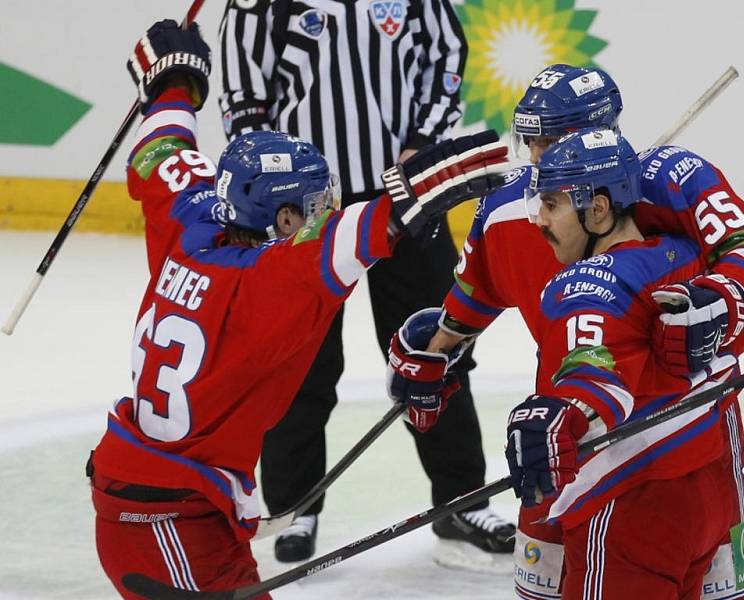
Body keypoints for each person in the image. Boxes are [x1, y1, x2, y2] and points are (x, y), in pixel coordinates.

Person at [86, 20, 509, 596]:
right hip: (173, 523)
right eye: (311, 206)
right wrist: (481, 169)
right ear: (282, 220)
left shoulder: (189, 218)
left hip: (164, 500)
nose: (320, 213)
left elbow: (163, 150)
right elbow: (378, 224)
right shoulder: (272, 278)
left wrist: (174, 83)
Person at [387, 64, 744, 598]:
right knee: (551, 586)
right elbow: (471, 300)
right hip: (572, 426)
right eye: (531, 141)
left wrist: (718, 303)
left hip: (692, 428)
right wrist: (434, 352)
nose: (539, 158)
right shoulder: (510, 210)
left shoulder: (673, 182)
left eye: (553, 140)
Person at [219, 0, 515, 569]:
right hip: (300, 212)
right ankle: (292, 505)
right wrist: (275, 183)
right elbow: (244, 96)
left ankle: (460, 497)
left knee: (438, 344)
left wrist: (422, 143)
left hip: (403, 197)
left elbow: (446, 56)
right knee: (298, 358)